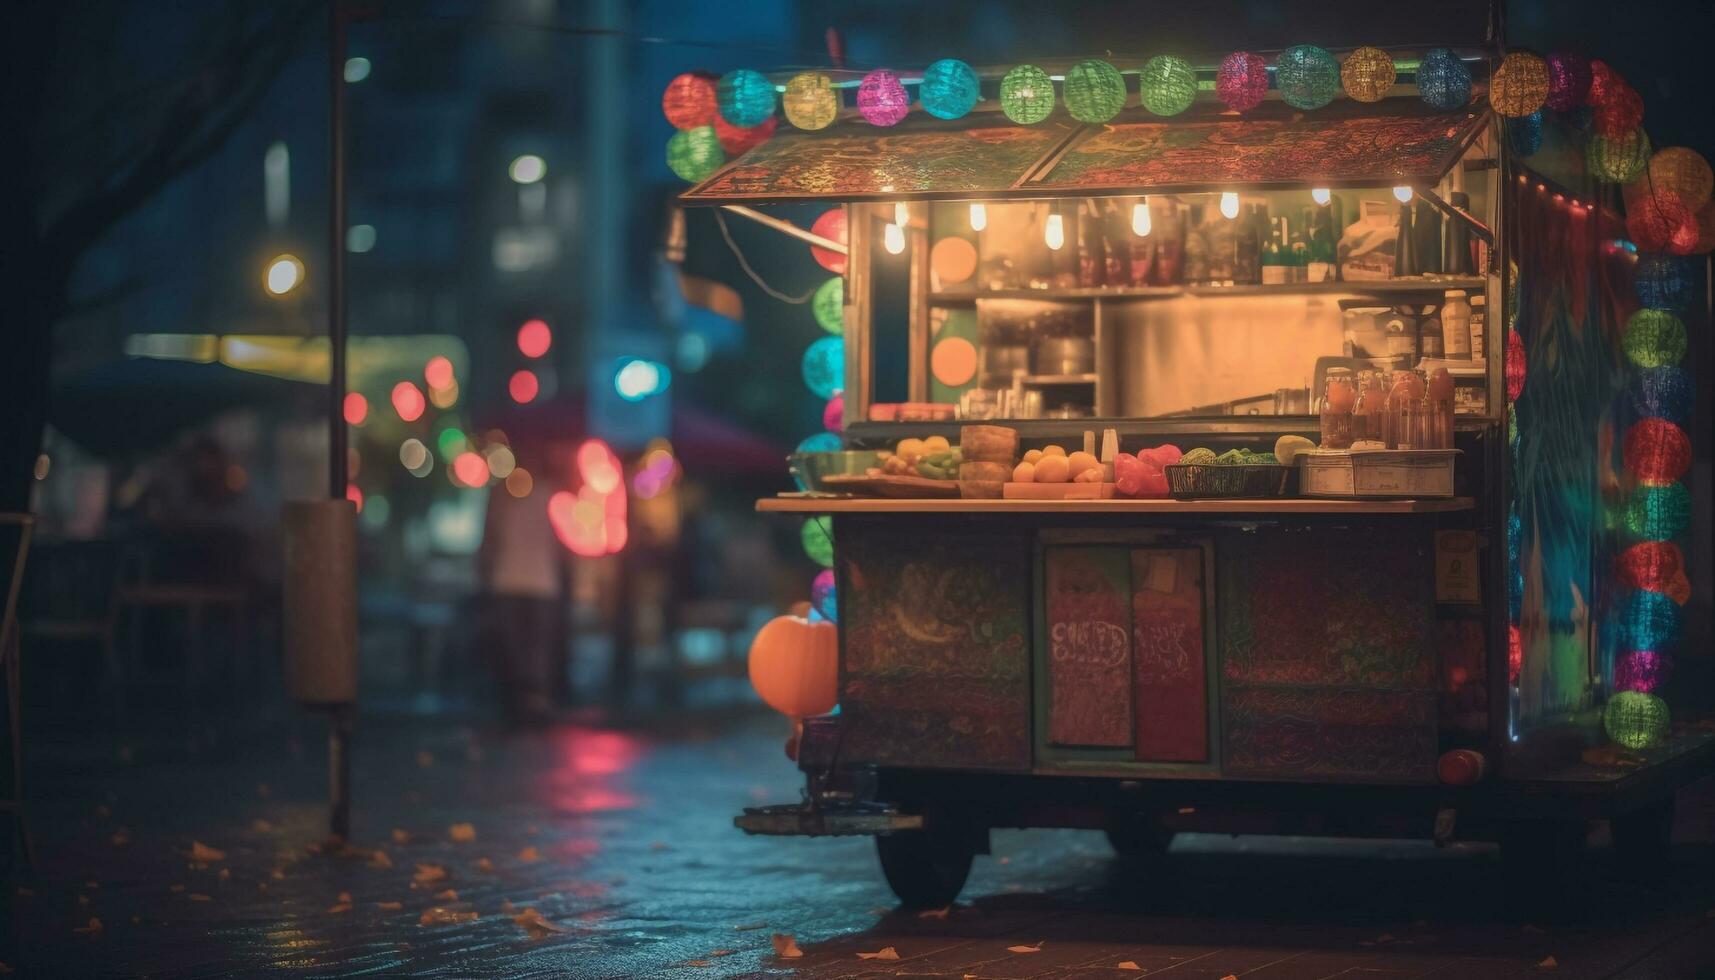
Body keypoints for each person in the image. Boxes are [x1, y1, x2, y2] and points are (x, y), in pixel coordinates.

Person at [477, 444, 569, 725]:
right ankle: (530, 702)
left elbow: (489, 538)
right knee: (528, 646)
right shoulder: (540, 495)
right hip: (531, 581)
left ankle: (526, 702)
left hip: (520, 581)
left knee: (522, 646)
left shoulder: (521, 495)